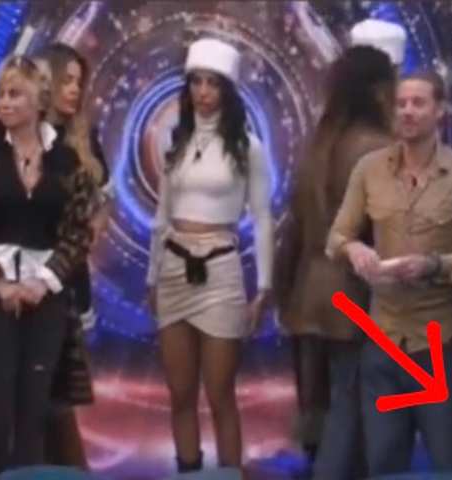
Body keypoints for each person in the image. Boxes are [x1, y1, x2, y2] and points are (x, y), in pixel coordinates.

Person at [326, 70, 452, 476]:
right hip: (384, 344)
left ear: (440, 111)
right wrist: (355, 248)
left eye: (418, 103)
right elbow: (336, 237)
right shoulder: (370, 168)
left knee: (451, 468)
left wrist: (434, 265)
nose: (408, 111)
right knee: (384, 467)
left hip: (440, 344)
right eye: (401, 103)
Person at [275, 18, 405, 480]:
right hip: (356, 298)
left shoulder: (318, 142)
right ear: (379, 91)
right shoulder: (382, 150)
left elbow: (294, 228)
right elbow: (391, 234)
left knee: (320, 411)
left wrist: (282, 294)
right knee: (356, 416)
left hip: (308, 294)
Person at [146, 38, 273, 474]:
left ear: (227, 90)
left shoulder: (247, 146)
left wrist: (264, 288)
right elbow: (162, 217)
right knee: (180, 393)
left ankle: (229, 474)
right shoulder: (177, 142)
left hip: (220, 272)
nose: (202, 92)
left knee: (220, 394)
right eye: (196, 82)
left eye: (212, 83)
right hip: (173, 269)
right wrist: (151, 276)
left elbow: (263, 218)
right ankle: (189, 472)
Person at [0, 55, 95, 477]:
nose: (4, 103)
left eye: (15, 94)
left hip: (46, 299)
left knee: (35, 414)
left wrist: (44, 282)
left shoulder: (65, 160)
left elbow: (79, 231)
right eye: (1, 94)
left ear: (37, 100)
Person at [36, 41, 111, 469]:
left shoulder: (84, 140)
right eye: (66, 80)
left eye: (78, 83)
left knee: (55, 399)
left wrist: (92, 226)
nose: (74, 91)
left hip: (67, 284)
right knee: (38, 400)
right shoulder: (18, 136)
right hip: (21, 281)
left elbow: (102, 204)